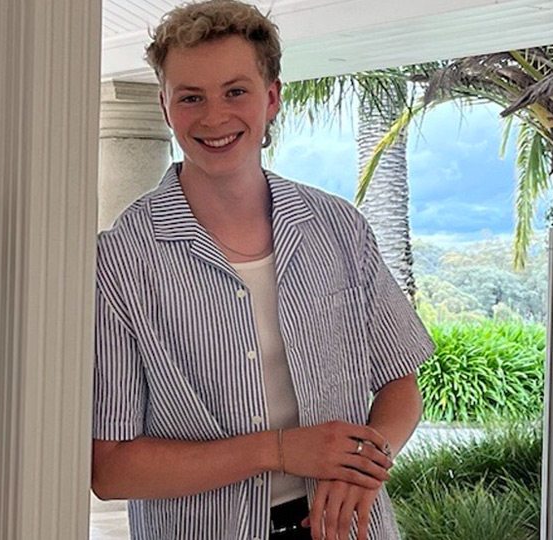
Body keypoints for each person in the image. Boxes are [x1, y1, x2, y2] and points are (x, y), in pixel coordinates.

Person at [91, 1, 434, 538]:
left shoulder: (339, 226)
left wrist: (365, 463)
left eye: (235, 91)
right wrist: (277, 451)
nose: (213, 116)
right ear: (164, 107)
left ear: (271, 97)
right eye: (190, 97)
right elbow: (111, 469)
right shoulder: (118, 261)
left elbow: (401, 382)